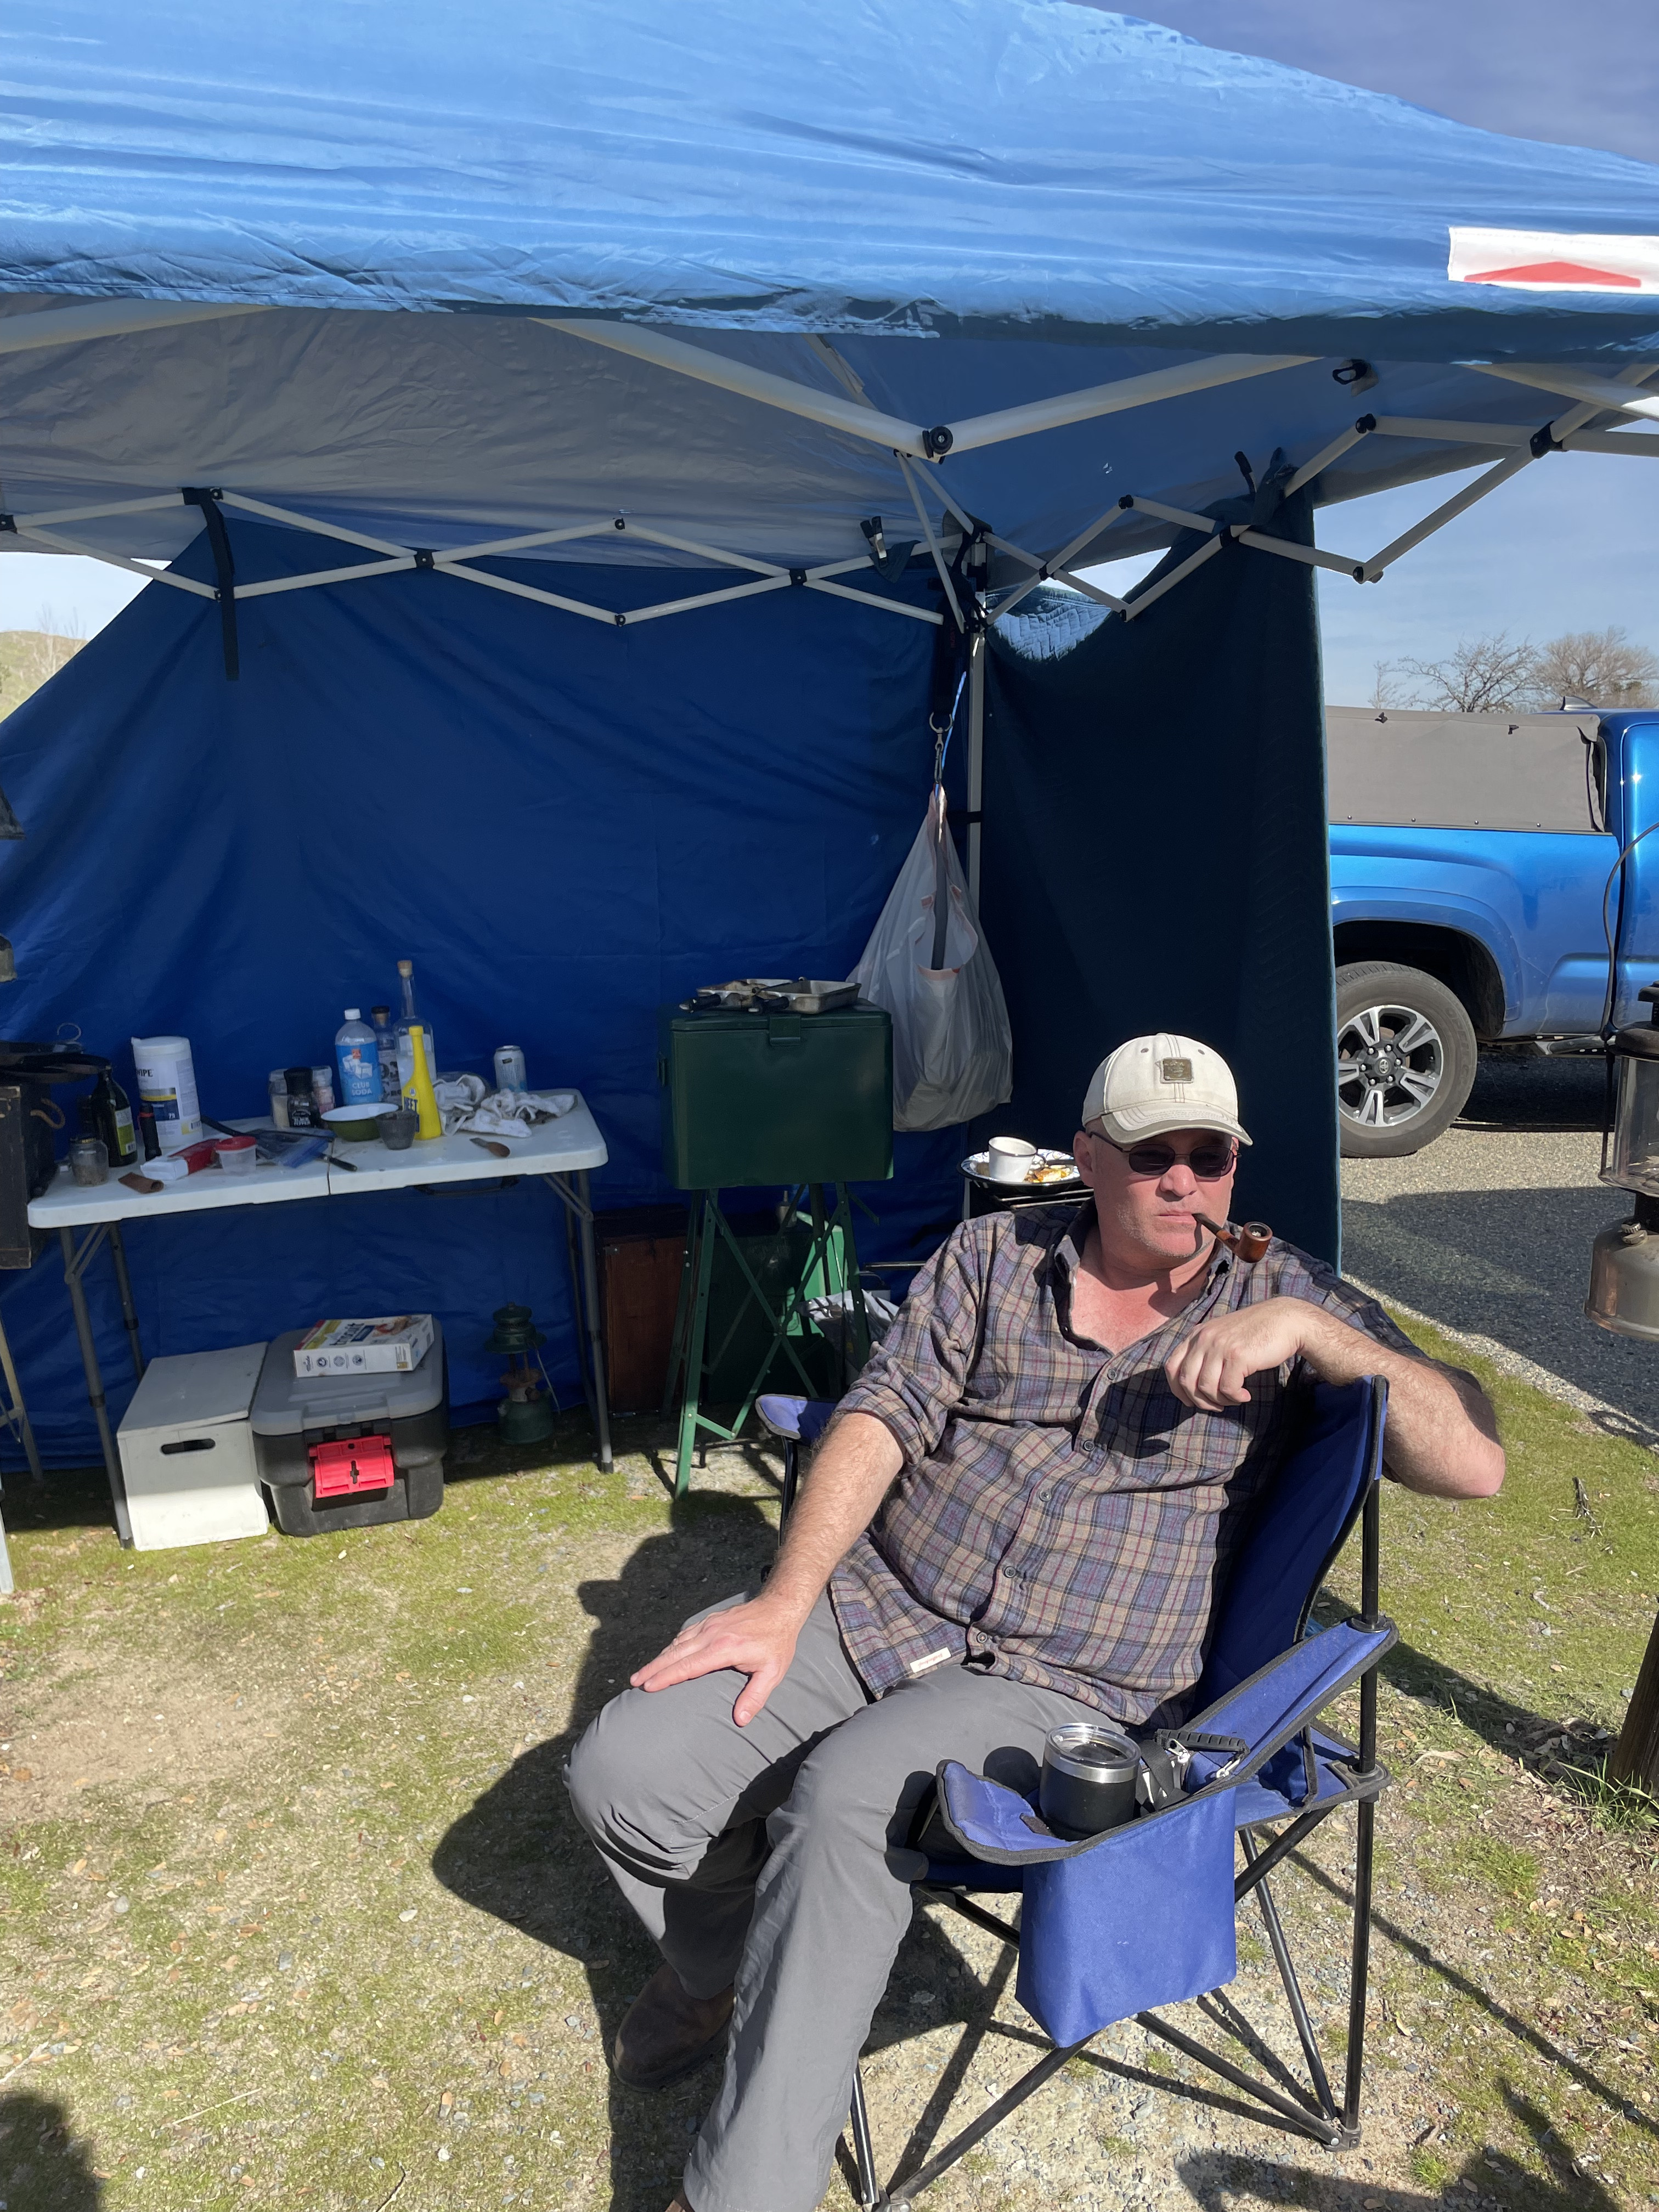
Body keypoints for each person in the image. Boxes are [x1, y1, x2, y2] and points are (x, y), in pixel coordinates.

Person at [567, 1032, 1503, 2212]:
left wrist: (1322, 1339)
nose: (1183, 1181)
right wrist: (784, 1600)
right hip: (884, 1599)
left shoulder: (1282, 1293)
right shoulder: (991, 1256)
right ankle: (716, 1967)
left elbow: (1475, 1464)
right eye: (1152, 1155)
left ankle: (741, 2193)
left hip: (1068, 1679)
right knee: (627, 1773)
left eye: (1210, 1156)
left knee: (846, 1804)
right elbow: (881, 1413)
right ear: (1087, 1158)